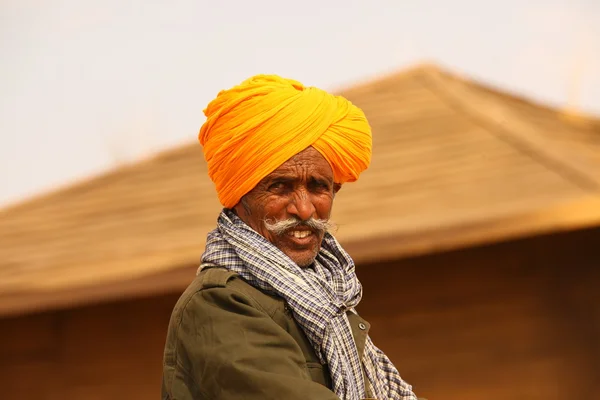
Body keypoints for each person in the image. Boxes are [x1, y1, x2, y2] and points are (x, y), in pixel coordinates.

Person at [162, 75, 418, 400]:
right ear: (241, 197)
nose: (304, 209)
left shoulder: (328, 300)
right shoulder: (219, 304)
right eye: (280, 187)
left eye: (317, 187)